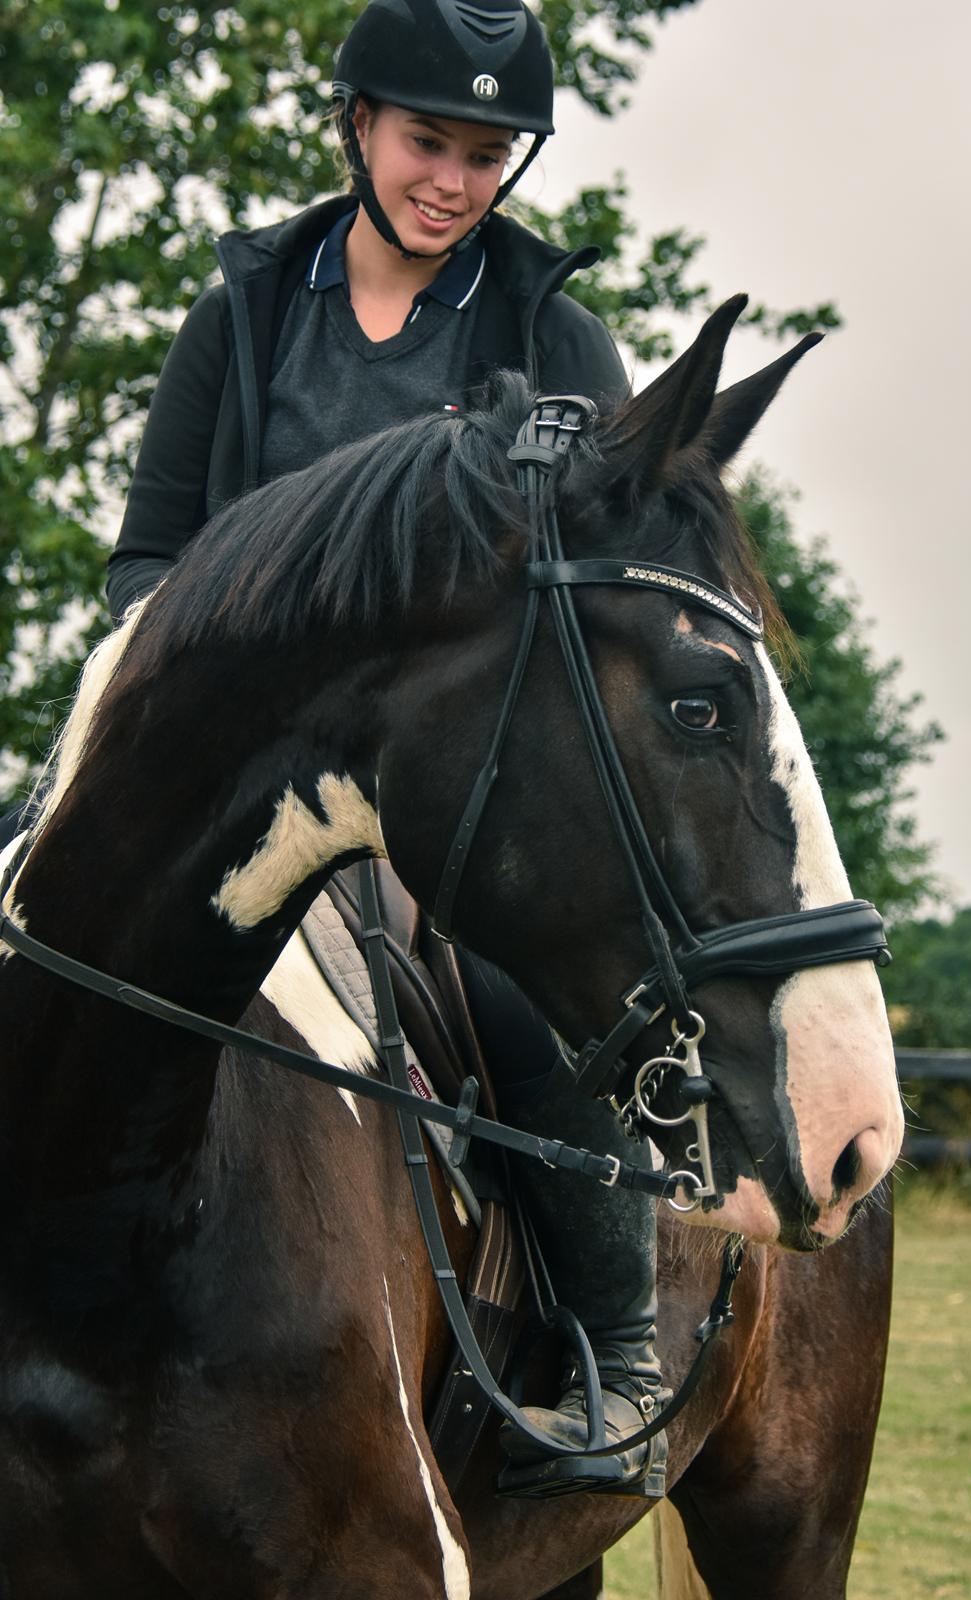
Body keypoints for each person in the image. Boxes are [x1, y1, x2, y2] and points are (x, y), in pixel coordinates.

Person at [106, 0, 667, 1500]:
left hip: (438, 789)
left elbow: (608, 588)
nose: (455, 179)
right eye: (430, 140)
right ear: (356, 125)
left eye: (488, 155)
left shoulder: (552, 335)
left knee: (507, 983)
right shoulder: (241, 313)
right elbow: (145, 565)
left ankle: (623, 1344)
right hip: (226, 782)